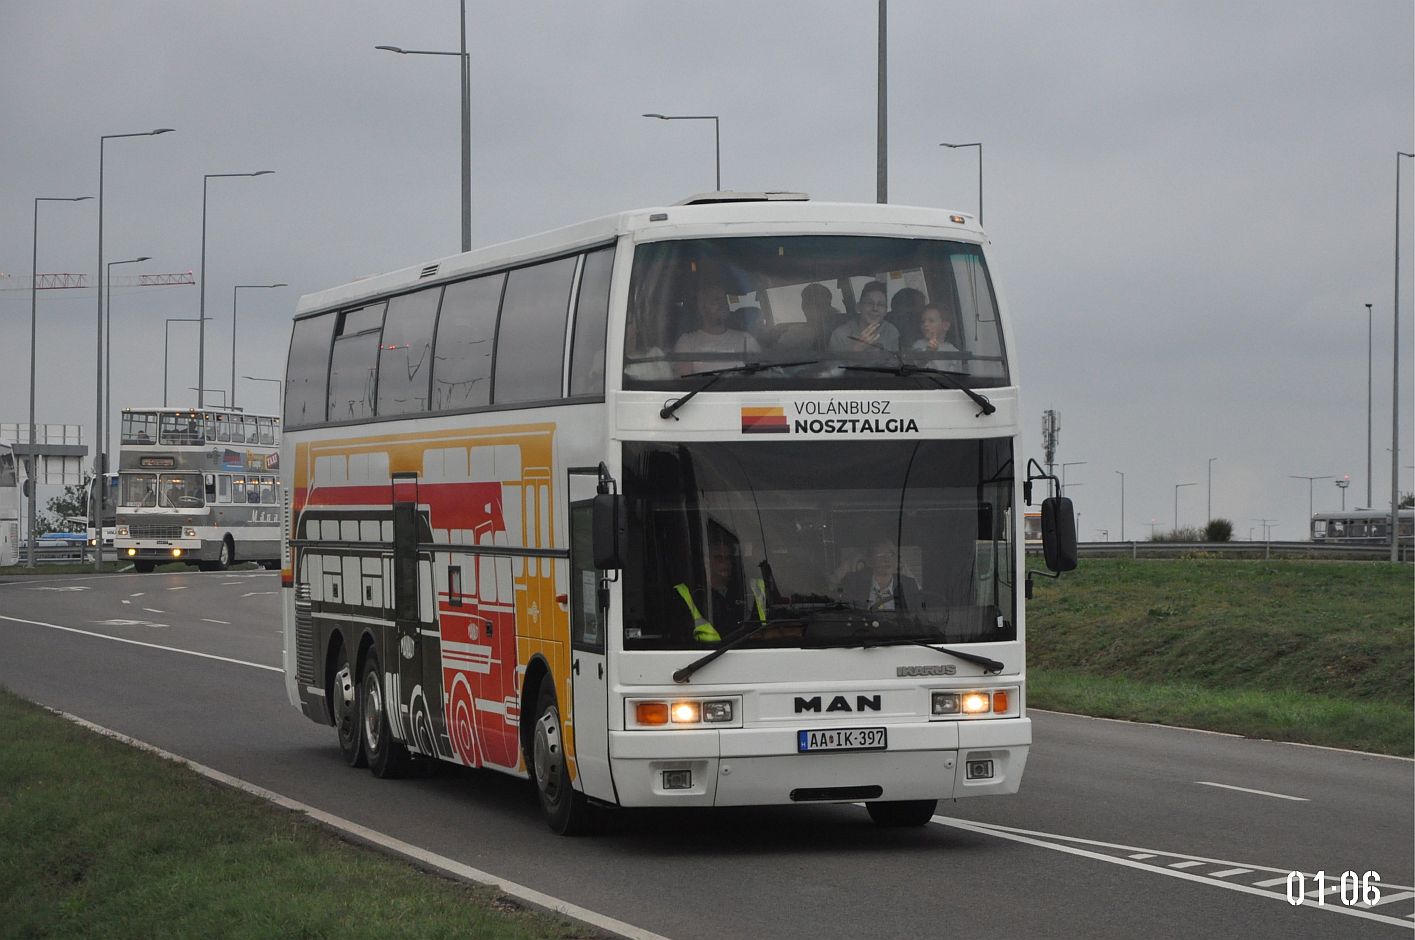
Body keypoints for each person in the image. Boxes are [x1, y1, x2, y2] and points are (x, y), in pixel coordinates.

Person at [673, 538, 766, 643]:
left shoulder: (747, 591)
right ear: (706, 561)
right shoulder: (691, 594)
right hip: (708, 656)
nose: (725, 563)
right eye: (718, 557)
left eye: (728, 558)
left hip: (753, 652)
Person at [673, 283, 761, 376]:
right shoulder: (687, 342)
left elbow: (761, 374)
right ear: (702, 308)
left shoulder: (746, 339)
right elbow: (685, 381)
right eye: (715, 300)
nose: (722, 304)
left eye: (724, 299)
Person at [836, 540, 919, 611]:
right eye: (880, 556)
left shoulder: (909, 584)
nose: (887, 560)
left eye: (891, 555)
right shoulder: (853, 582)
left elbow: (917, 616)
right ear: (870, 561)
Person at [829, 281, 901, 359]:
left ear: (886, 311)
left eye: (880, 304)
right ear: (859, 307)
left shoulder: (891, 332)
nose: (875, 308)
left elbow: (896, 364)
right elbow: (833, 368)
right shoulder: (840, 335)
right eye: (869, 303)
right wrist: (856, 350)